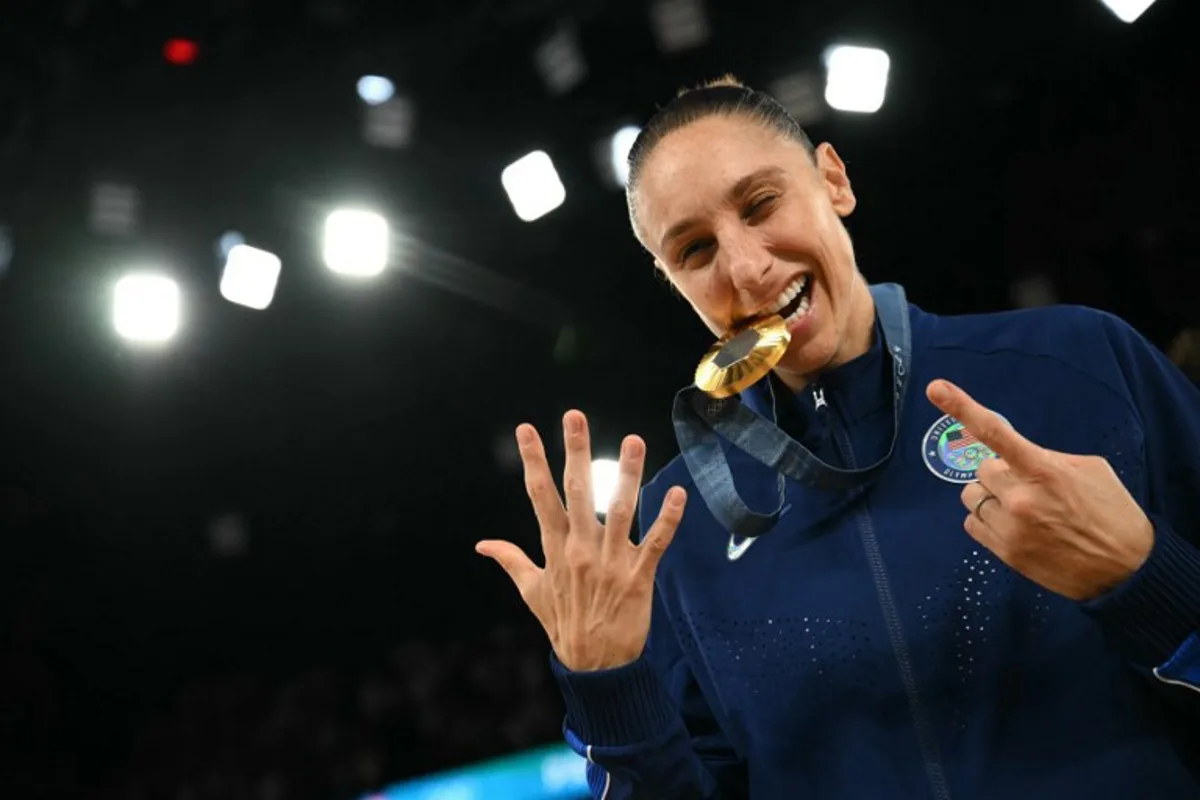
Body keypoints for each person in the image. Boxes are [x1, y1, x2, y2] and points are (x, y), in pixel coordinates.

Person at [475, 76, 1200, 799]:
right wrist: (610, 690)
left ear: (833, 179)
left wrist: (1147, 576)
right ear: (672, 280)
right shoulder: (675, 526)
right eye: (695, 251)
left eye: (761, 204)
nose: (747, 268)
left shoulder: (1073, 364)